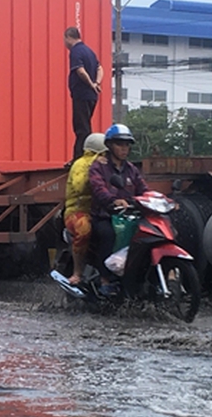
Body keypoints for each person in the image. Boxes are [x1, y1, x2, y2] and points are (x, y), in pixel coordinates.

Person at [88, 123, 149, 295]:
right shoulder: (98, 167)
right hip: (105, 216)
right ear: (109, 145)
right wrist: (114, 201)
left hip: (129, 217)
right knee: (108, 234)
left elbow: (143, 188)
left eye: (127, 145)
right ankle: (105, 280)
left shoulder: (131, 169)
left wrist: (161, 200)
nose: (124, 148)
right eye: (119, 144)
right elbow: (99, 189)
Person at [63, 132, 108, 284]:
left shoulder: (112, 164)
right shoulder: (81, 164)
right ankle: (77, 272)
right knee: (84, 229)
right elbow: (79, 186)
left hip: (103, 210)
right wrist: (93, 168)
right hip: (77, 211)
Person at [64, 26, 103, 159]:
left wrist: (91, 84)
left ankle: (80, 157)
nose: (65, 43)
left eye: (65, 40)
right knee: (85, 124)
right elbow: (100, 68)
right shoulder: (89, 51)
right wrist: (97, 83)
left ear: (69, 37)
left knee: (81, 128)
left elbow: (80, 71)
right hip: (92, 96)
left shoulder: (76, 51)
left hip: (81, 94)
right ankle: (82, 155)